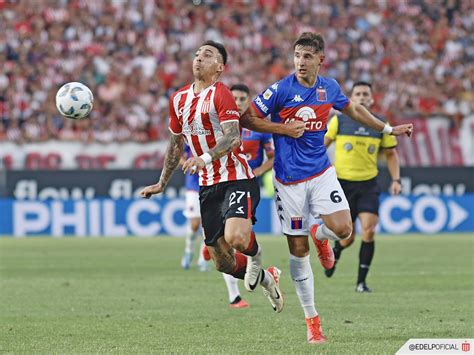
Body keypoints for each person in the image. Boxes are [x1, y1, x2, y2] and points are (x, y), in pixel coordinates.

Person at [240, 32, 413, 343]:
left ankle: (321, 235)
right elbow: (247, 118)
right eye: (297, 56)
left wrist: (387, 128)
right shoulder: (280, 89)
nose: (300, 62)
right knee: (298, 251)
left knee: (345, 229)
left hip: (321, 173)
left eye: (307, 56)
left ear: (321, 59)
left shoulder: (329, 87)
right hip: (288, 182)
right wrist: (282, 128)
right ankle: (312, 320)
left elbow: (356, 111)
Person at [140, 40, 302, 313]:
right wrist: (161, 182)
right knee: (222, 263)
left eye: (207, 55)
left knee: (238, 237)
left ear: (219, 67)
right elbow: (175, 144)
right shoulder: (178, 99)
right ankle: (266, 278)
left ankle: (256, 254)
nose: (199, 58)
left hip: (236, 178)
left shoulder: (221, 93)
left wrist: (203, 158)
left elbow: (233, 136)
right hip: (207, 186)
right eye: (197, 54)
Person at [324, 81, 402, 292]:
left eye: (365, 94)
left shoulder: (380, 124)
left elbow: (391, 154)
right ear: (352, 98)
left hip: (368, 184)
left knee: (369, 230)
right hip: (343, 185)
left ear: (371, 99)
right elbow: (322, 146)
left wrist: (396, 180)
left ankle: (361, 283)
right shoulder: (339, 121)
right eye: (357, 94)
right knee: (347, 239)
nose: (361, 97)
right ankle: (337, 252)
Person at [180, 144, 209, 272]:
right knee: (195, 224)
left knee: (207, 226)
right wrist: (189, 164)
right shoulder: (189, 136)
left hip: (210, 183)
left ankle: (203, 259)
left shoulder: (213, 135)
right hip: (193, 185)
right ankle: (188, 250)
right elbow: (178, 156)